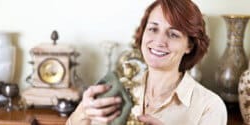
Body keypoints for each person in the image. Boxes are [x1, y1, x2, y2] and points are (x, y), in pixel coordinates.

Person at [66, 0, 227, 125]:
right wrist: (83, 111)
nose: (159, 41)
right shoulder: (114, 89)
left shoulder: (209, 106)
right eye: (153, 29)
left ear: (189, 45)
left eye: (173, 34)